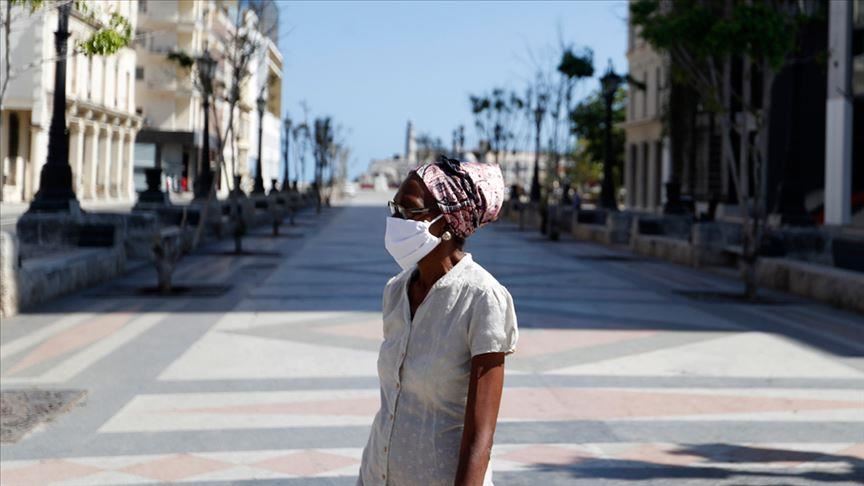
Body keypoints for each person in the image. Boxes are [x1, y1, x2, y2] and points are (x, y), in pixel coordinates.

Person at [358, 157, 519, 486]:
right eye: (394, 208)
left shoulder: (482, 298)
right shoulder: (396, 291)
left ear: (446, 221)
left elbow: (480, 437)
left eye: (409, 210)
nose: (396, 220)